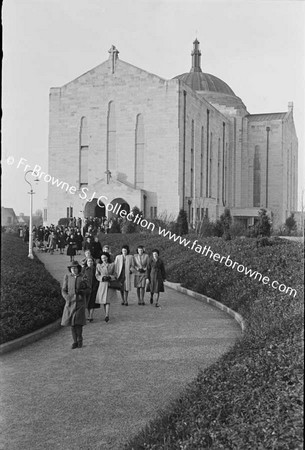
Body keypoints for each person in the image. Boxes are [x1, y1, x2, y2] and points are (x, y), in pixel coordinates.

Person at [61, 261, 88, 349]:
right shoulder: (67, 277)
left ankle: (80, 339)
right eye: (72, 268)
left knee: (78, 323)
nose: (74, 270)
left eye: (75, 268)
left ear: (78, 269)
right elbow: (64, 290)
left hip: (80, 302)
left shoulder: (83, 277)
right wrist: (67, 298)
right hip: (70, 303)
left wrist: (82, 292)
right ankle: (74, 341)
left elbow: (89, 289)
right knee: (72, 323)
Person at [95, 252, 117, 322]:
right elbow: (97, 275)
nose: (103, 259)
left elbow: (115, 274)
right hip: (103, 284)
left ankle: (107, 315)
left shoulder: (112, 265)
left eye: (105, 257)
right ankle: (106, 313)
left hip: (110, 284)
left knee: (107, 300)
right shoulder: (99, 266)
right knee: (104, 301)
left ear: (107, 258)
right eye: (102, 258)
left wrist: (110, 277)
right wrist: (102, 278)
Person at [82, 257, 100, 322]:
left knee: (92, 302)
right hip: (86, 288)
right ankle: (87, 315)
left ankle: (91, 316)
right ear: (86, 262)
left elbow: (98, 278)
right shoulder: (84, 269)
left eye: (91, 261)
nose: (90, 262)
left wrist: (96, 286)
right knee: (86, 302)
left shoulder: (95, 269)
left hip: (94, 287)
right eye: (89, 261)